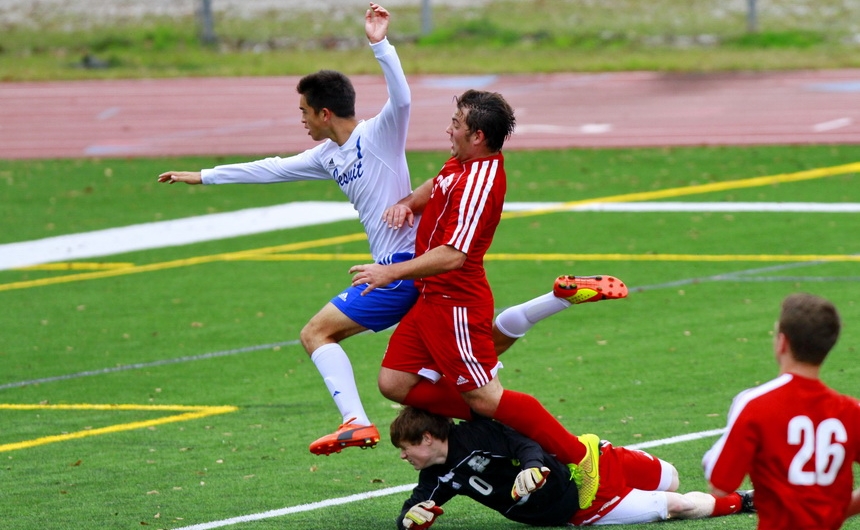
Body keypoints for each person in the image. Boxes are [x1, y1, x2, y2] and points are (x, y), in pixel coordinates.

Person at [157, 2, 628, 457]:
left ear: (324, 113)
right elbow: (273, 168)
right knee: (419, 376)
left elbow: (402, 99)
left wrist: (380, 45)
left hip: (409, 273)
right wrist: (203, 176)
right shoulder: (333, 156)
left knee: (317, 334)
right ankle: (557, 303)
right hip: (421, 281)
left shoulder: (381, 134)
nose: (300, 119)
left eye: (303, 111)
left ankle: (356, 421)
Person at [348, 89, 628, 509]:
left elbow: (453, 256)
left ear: (477, 135)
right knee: (394, 382)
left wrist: (389, 272)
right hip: (430, 298)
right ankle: (503, 414)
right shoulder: (464, 160)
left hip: (455, 301)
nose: (449, 129)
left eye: (457, 124)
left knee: (487, 399)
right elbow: (436, 181)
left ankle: (577, 455)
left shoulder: (480, 181)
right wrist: (409, 203)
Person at [390, 406, 755, 529]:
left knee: (672, 478)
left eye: (405, 448)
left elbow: (524, 442)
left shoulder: (477, 432)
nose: (404, 457)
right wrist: (408, 518)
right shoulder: (437, 477)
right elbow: (415, 506)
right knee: (677, 506)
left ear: (426, 437)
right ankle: (745, 501)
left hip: (590, 461)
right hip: (581, 506)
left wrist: (531, 467)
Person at [702, 293, 860, 530]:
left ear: (782, 343)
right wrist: (839, 511)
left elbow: (719, 484)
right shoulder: (850, 410)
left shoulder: (756, 403)